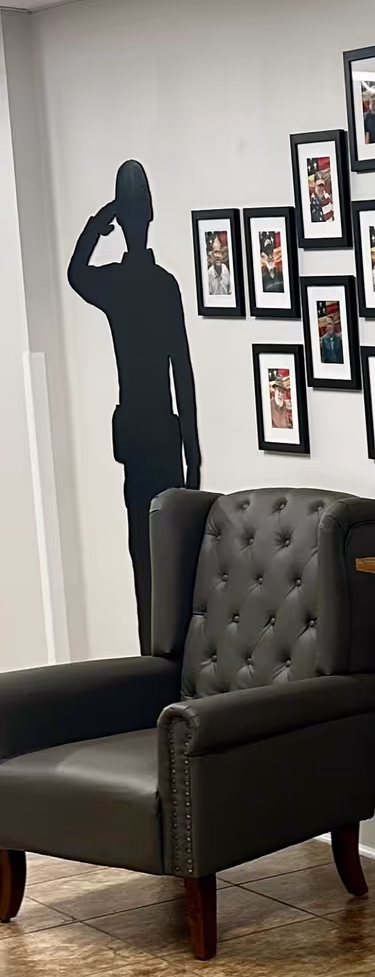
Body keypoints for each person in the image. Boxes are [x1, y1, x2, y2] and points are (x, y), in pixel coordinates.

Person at [67, 160, 200, 651]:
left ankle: (154, 654)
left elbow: (76, 271)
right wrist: (194, 454)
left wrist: (98, 224)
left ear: (124, 220)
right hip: (161, 435)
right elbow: (180, 372)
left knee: (144, 554)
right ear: (150, 215)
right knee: (166, 555)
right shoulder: (160, 284)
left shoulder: (120, 284)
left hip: (141, 434)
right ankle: (160, 655)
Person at [203, 234, 231, 301]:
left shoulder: (226, 270)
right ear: (212, 254)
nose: (218, 256)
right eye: (215, 252)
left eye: (220, 252)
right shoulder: (209, 274)